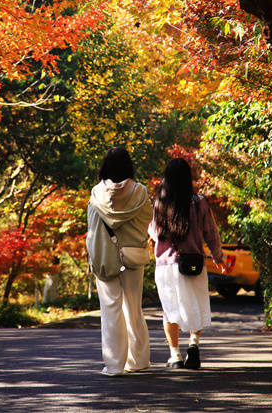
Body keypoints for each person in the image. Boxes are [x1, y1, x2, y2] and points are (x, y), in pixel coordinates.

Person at [148, 157, 226, 370]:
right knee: (196, 304)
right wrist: (219, 257)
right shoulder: (199, 201)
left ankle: (175, 356)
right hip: (192, 264)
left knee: (169, 310)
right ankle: (193, 344)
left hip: (166, 266)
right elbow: (211, 232)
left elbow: (154, 233)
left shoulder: (159, 203)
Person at [86, 147, 153, 376]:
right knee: (134, 308)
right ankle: (139, 360)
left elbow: (92, 230)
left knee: (111, 309)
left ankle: (114, 366)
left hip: (106, 259)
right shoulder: (140, 192)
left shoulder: (97, 194)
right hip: (132, 256)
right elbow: (148, 218)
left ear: (104, 167)